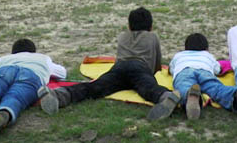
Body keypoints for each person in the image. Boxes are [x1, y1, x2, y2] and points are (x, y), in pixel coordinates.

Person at [39, 7, 180, 121]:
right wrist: (151, 74)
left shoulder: (122, 36)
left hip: (119, 68)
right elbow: (156, 64)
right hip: (140, 68)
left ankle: (60, 95)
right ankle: (165, 97)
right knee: (149, 89)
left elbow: (119, 59)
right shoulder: (153, 37)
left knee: (94, 88)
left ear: (129, 26)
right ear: (151, 27)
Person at [169, 33, 237, 120]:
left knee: (183, 86)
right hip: (205, 71)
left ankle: (190, 95)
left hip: (185, 71)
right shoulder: (208, 55)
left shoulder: (179, 55)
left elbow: (172, 69)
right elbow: (217, 69)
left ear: (185, 48)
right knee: (216, 88)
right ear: (206, 49)